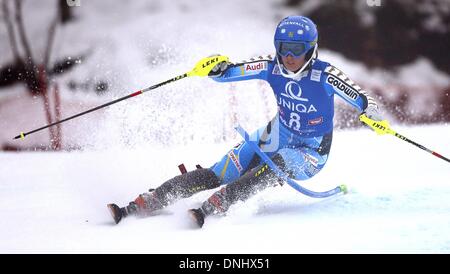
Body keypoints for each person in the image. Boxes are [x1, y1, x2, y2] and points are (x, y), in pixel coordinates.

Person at [107, 15, 383, 227]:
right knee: (220, 171)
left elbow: (362, 98)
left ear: (311, 49)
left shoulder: (326, 74)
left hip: (312, 150)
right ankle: (154, 198)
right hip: (278, 132)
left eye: (297, 50)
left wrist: (371, 113)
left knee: (280, 163)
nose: (289, 57)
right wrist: (216, 67)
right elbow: (228, 73)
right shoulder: (270, 66)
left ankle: (222, 202)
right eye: (284, 49)